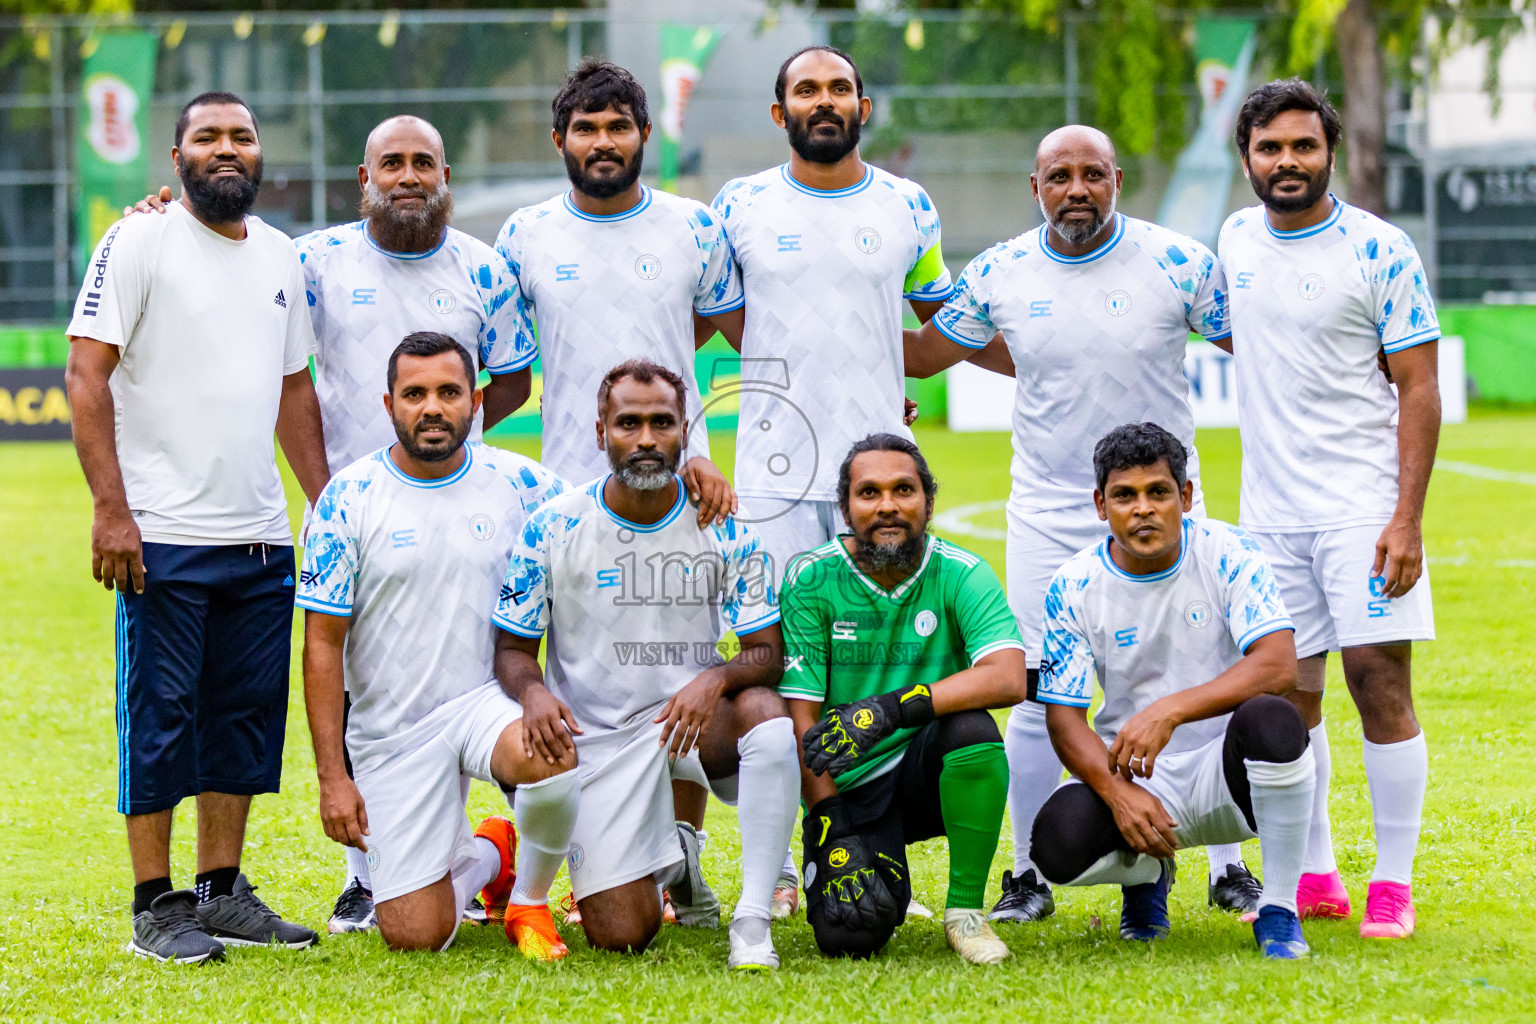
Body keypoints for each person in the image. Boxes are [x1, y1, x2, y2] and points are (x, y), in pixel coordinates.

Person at [134, 113, 545, 933]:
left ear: (445, 176)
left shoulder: (486, 269)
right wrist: (327, 494)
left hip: (458, 508)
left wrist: (448, 448)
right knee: (363, 689)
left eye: (423, 162)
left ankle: (496, 857)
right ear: (364, 180)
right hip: (354, 519)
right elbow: (276, 351)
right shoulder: (313, 260)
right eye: (389, 162)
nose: (407, 176)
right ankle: (369, 872)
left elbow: (514, 379)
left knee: (465, 670)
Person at [901, 125, 1257, 922]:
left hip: (1160, 508)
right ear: (1036, 188)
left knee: (1196, 678)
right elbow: (926, 354)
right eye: (1059, 175)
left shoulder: (1178, 262)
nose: (1076, 189)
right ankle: (1027, 874)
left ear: (1118, 180)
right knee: (1034, 691)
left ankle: (1229, 865)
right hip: (1049, 514)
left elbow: (1258, 346)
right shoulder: (999, 270)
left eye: (1092, 174)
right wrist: (826, 329)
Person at [64, 91, 328, 963]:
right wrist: (112, 511)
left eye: (242, 137)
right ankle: (155, 905)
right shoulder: (138, 240)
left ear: (261, 154)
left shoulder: (282, 256)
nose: (227, 149)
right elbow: (85, 375)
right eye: (207, 137)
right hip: (165, 537)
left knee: (243, 718)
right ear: (175, 157)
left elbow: (295, 392)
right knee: (163, 718)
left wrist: (323, 508)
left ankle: (221, 892)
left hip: (259, 538)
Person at [494, 59, 752, 920]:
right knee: (572, 685)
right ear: (561, 139)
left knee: (677, 668)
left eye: (619, 127)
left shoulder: (693, 227)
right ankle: (552, 867)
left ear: (645, 135)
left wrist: (704, 447)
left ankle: (682, 863)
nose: (603, 143)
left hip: (676, 489)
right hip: (566, 500)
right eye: (586, 128)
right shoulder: (525, 234)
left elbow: (718, 337)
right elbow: (497, 354)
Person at [1217, 79, 1440, 939]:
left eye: (1302, 146)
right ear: (1248, 159)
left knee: (1376, 681)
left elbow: (1419, 388)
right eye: (1270, 148)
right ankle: (1315, 871)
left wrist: (1406, 517)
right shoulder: (1236, 238)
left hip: (1360, 508)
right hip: (1268, 518)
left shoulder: (1379, 249)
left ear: (1330, 153)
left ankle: (1393, 880)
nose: (1286, 162)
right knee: (1289, 696)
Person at [491, 359, 801, 970]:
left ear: (686, 430)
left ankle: (753, 920)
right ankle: (675, 859)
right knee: (621, 934)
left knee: (767, 716)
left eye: (662, 422)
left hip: (689, 725)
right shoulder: (553, 526)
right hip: (598, 741)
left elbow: (768, 654)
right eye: (628, 423)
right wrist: (532, 694)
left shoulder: (721, 524)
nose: (647, 439)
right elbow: (511, 650)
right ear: (600, 431)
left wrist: (714, 677)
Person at [297, 332, 577, 958]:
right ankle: (490, 856)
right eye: (415, 393)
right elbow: (321, 645)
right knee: (415, 936)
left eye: (449, 392)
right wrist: (332, 777)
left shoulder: (527, 486)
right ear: (388, 402)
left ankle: (529, 902)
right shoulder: (347, 498)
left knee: (553, 757)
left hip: (486, 704)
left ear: (475, 401)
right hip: (394, 731)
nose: (432, 407)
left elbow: (612, 516)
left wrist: (689, 478)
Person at [1030, 423, 1314, 960]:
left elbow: (1278, 666)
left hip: (1228, 772)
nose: (1143, 509)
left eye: (1158, 492)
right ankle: (1146, 874)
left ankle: (1278, 910)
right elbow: (1064, 720)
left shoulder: (1228, 551)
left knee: (1275, 719)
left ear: (1184, 497)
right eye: (1124, 495)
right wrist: (1117, 796)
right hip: (1133, 774)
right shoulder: (1073, 583)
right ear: (1100, 505)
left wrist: (1171, 710)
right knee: (1055, 845)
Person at [779, 433, 1025, 964]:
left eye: (903, 490)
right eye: (869, 493)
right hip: (847, 786)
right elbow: (800, 717)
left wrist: (893, 708)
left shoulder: (961, 571)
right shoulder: (812, 576)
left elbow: (1008, 677)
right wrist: (830, 824)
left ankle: (965, 914)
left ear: (928, 503)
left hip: (925, 774)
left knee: (972, 730)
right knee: (850, 936)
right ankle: (878, 869)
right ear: (845, 507)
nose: (887, 505)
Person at [710, 45, 953, 583]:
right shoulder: (737, 205)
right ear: (780, 113)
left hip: (880, 477)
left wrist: (880, 368)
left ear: (862, 108)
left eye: (839, 89)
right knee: (773, 653)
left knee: (880, 656)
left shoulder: (908, 204)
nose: (825, 101)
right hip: (772, 477)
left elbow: (946, 325)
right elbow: (715, 322)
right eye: (807, 90)